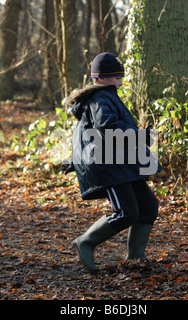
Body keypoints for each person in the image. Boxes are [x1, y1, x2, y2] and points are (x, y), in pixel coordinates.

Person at [65, 52, 162, 274]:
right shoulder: (98, 98)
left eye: (120, 75)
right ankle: (86, 242)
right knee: (125, 212)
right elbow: (106, 127)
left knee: (148, 207)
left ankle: (135, 257)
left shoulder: (107, 95)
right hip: (106, 166)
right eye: (114, 76)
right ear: (99, 78)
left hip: (119, 163)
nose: (119, 79)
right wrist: (138, 134)